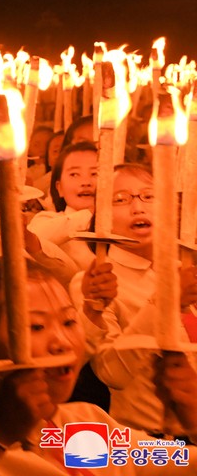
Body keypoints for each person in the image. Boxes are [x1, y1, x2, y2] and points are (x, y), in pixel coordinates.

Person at [0, 258, 197, 475]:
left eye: (68, 321)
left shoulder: (81, 429)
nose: (62, 342)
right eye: (36, 327)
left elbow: (180, 462)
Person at [73, 163, 197, 440]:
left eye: (148, 196)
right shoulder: (96, 281)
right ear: (100, 216)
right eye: (121, 199)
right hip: (148, 441)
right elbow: (111, 374)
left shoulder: (185, 270)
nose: (137, 207)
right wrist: (167, 300)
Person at [28, 142, 98, 271]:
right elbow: (34, 238)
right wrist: (90, 214)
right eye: (74, 174)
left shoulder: (119, 227)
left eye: (95, 174)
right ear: (59, 188)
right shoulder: (48, 219)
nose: (86, 182)